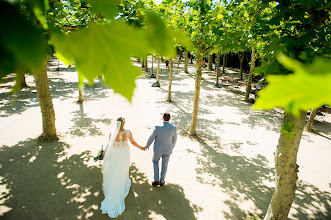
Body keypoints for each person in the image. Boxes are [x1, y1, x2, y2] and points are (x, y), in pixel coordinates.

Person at [100, 117, 144, 218]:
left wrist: (104, 154)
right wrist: (141, 147)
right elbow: (133, 142)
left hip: (115, 154)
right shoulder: (128, 132)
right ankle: (121, 181)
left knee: (115, 169)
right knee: (123, 169)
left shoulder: (112, 133)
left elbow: (109, 145)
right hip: (124, 154)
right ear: (124, 124)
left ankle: (114, 184)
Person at [145, 113, 177, 186]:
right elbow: (175, 140)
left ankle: (156, 180)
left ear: (162, 118)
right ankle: (162, 181)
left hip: (158, 149)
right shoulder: (173, 128)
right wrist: (172, 147)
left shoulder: (157, 127)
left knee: (155, 162)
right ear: (170, 118)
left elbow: (151, 137)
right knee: (164, 165)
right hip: (167, 149)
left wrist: (147, 145)